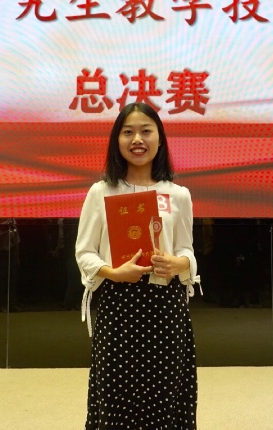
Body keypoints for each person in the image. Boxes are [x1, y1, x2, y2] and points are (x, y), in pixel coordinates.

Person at [76, 102, 198, 430]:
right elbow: (84, 252)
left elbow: (186, 249)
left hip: (166, 306)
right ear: (117, 140)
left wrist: (178, 263)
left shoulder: (178, 194)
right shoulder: (101, 191)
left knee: (165, 393)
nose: (137, 140)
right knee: (115, 394)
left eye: (146, 131)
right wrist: (113, 273)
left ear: (160, 138)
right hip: (119, 304)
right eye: (128, 132)